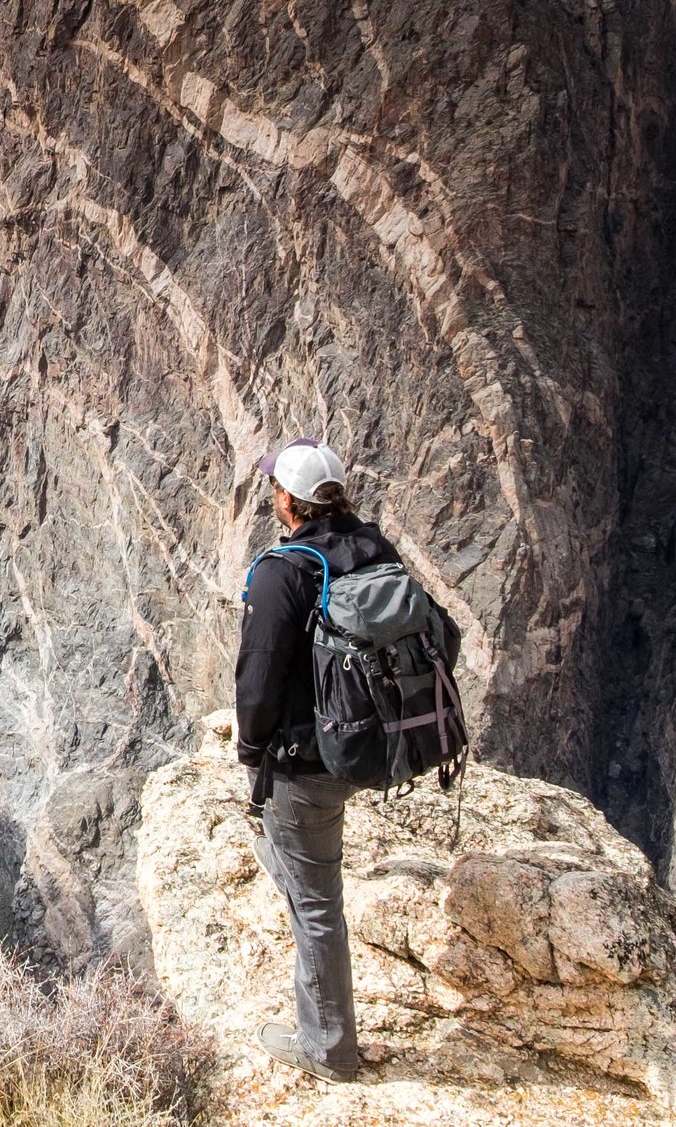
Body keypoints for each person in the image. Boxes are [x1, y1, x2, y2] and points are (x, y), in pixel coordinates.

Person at [236, 436, 400, 1084]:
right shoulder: (371, 547)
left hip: (307, 762)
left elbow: (257, 678)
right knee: (304, 875)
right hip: (372, 744)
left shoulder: (282, 571)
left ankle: (327, 1048)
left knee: (315, 905)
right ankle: (283, 857)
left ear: (288, 500)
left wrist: (252, 753)